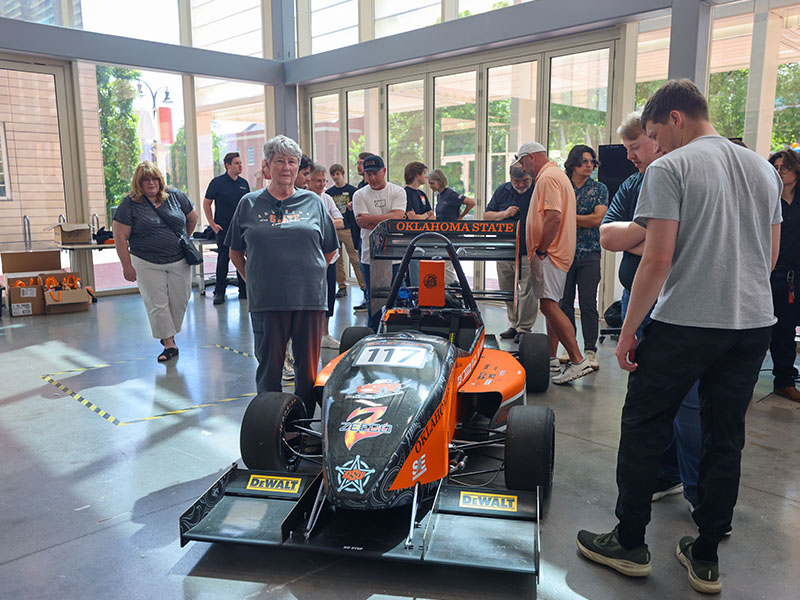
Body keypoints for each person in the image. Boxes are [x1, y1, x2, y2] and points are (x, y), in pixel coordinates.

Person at [577, 79, 782, 595]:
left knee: (644, 423)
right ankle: (706, 554)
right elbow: (770, 257)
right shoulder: (762, 167)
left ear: (674, 119)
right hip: (752, 323)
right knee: (724, 434)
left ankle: (628, 542)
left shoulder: (672, 167)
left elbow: (657, 258)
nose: (653, 146)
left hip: (687, 321)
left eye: (652, 134)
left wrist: (626, 331)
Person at [600, 110, 703, 523]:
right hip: (636, 302)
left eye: (637, 147)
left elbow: (680, 248)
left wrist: (640, 236)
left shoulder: (681, 177)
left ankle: (698, 493)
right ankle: (666, 474)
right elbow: (609, 234)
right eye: (626, 150)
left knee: (688, 404)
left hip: (676, 305)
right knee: (647, 397)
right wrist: (653, 232)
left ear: (658, 138)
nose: (631, 158)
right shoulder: (632, 183)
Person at [226, 136, 338, 417]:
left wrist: (308, 275)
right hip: (267, 299)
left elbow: (330, 249)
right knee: (269, 367)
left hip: (309, 300)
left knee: (307, 370)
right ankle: (270, 424)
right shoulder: (249, 203)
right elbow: (236, 251)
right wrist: (253, 278)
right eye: (279, 161)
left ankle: (300, 425)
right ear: (267, 166)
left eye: (292, 162)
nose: (286, 167)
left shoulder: (313, 202)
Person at [513, 142, 592, 384]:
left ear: (531, 158)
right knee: (550, 306)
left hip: (551, 253)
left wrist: (542, 249)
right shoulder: (555, 175)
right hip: (556, 251)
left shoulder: (548, 178)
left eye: (523, 162)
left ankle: (578, 360)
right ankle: (551, 358)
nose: (523, 167)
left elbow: (553, 217)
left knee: (549, 307)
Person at [112, 161, 199, 362]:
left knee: (180, 301)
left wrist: (183, 238)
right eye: (146, 180)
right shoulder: (129, 204)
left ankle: (168, 333)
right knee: (157, 304)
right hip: (146, 261)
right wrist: (126, 266)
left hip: (179, 259)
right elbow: (120, 237)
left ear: (160, 181)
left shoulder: (175, 196)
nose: (151, 183)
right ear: (138, 183)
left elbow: (192, 218)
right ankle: (169, 343)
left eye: (154, 179)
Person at [557, 145, 608, 370]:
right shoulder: (561, 185)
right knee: (564, 302)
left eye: (591, 162)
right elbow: (552, 216)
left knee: (588, 302)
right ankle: (570, 348)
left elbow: (597, 219)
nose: (589, 166)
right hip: (563, 251)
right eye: (585, 161)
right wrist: (579, 218)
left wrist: (567, 217)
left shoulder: (599, 188)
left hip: (590, 252)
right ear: (574, 163)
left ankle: (590, 350)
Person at [352, 154, 406, 331]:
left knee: (396, 295)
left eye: (376, 173)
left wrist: (371, 219)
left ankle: (396, 331)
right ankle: (373, 332)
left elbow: (398, 219)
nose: (372, 178)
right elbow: (361, 222)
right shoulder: (359, 194)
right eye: (368, 175)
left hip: (395, 255)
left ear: (384, 171)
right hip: (369, 255)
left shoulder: (397, 191)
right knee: (373, 298)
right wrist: (388, 219)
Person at [484, 165, 538, 342]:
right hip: (504, 250)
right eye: (517, 182)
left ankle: (524, 327)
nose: (521, 185)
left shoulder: (538, 189)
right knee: (507, 290)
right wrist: (504, 213)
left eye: (525, 181)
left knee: (527, 291)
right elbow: (487, 215)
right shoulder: (502, 190)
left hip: (527, 250)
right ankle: (513, 324)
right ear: (510, 179)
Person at [767, 149, 800, 402]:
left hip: (793, 276)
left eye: (783, 168)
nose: (778, 172)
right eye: (775, 167)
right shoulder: (765, 198)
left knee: (786, 330)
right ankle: (743, 382)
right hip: (766, 274)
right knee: (756, 331)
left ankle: (784, 381)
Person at [203, 152, 251, 305]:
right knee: (223, 259)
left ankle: (244, 290)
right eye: (236, 163)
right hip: (223, 228)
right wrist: (212, 224)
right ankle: (220, 292)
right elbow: (206, 203)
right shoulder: (217, 183)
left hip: (241, 228)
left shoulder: (244, 183)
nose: (240, 166)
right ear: (228, 165)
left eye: (240, 163)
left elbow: (248, 206)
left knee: (242, 258)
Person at [309, 163, 345, 349]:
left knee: (328, 296)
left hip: (330, 257)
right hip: (309, 259)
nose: (322, 184)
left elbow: (340, 222)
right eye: (318, 181)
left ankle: (325, 334)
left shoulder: (327, 198)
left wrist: (325, 221)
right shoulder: (303, 199)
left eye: (324, 181)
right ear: (309, 181)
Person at [327, 163, 365, 298]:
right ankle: (341, 285)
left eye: (338, 174)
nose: (336, 177)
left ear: (343, 174)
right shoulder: (329, 193)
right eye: (333, 174)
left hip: (348, 229)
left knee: (355, 258)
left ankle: (363, 287)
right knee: (337, 259)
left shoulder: (353, 191)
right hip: (334, 229)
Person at [404, 161, 434, 286]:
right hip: (411, 239)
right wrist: (425, 216)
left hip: (425, 238)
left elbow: (432, 215)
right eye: (424, 173)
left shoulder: (422, 194)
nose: (426, 177)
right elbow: (412, 218)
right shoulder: (404, 193)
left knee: (426, 274)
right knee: (415, 273)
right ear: (417, 174)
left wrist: (424, 216)